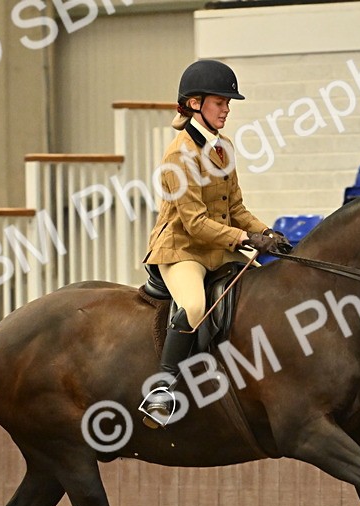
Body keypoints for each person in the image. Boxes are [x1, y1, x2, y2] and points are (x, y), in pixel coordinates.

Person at [140, 59, 289, 427]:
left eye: (227, 103)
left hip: (217, 246)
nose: (226, 109)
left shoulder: (224, 148)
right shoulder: (179, 154)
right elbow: (193, 223)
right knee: (193, 306)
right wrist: (243, 238)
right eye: (220, 102)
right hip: (181, 249)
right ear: (195, 104)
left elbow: (235, 207)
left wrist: (266, 233)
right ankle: (162, 390)